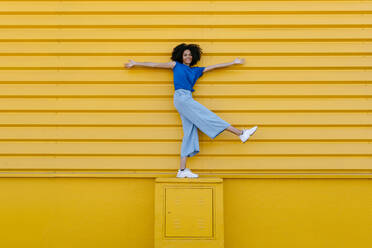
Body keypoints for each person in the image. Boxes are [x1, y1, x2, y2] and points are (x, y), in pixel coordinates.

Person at [124, 43, 258, 178]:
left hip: (187, 97)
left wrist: (233, 63)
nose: (188, 56)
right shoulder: (175, 65)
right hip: (181, 98)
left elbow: (214, 67)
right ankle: (240, 133)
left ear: (193, 56)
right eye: (185, 55)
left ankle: (182, 170)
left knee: (189, 132)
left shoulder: (196, 71)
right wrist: (136, 63)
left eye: (189, 55)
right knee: (208, 116)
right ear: (181, 56)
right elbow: (154, 65)